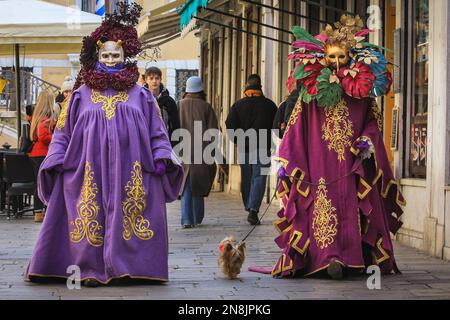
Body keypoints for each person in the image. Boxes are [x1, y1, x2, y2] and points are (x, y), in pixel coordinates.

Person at [25, 3, 183, 287]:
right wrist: (57, 158)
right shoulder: (80, 95)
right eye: (106, 54)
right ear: (98, 55)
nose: (111, 59)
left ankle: (128, 268)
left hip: (132, 169)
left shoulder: (142, 96)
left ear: (125, 55)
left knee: (131, 216)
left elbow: (157, 130)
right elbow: (63, 131)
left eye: (116, 54)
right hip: (86, 169)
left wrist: (161, 156)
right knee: (89, 217)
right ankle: (88, 270)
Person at [255, 16, 405, 279]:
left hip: (353, 162)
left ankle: (356, 256)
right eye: (331, 58)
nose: (336, 63)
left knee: (356, 206)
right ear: (323, 57)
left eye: (342, 57)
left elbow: (373, 121)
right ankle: (327, 258)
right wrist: (288, 161)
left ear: (351, 56)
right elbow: (296, 126)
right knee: (322, 208)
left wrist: (367, 141)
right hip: (319, 165)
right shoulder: (311, 93)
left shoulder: (362, 92)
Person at [225, 74, 277, 226]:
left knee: (247, 177)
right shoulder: (270, 105)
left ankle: (249, 206)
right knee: (259, 177)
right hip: (263, 146)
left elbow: (230, 125)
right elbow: (275, 127)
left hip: (244, 147)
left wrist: (236, 140)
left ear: (246, 86)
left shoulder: (238, 105)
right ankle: (254, 209)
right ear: (260, 87)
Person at [177, 76, 218, 229]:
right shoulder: (206, 107)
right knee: (198, 183)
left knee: (186, 184)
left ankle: (187, 219)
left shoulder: (178, 105)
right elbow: (213, 131)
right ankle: (197, 217)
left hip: (182, 150)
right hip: (202, 150)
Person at [28, 90, 56, 223]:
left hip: (36, 153)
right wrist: (57, 138)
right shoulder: (45, 118)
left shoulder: (36, 117)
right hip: (43, 154)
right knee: (43, 183)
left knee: (39, 183)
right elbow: (43, 137)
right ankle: (40, 212)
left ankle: (39, 211)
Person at [144, 67, 180, 146]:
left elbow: (175, 126)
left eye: (157, 78)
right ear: (146, 80)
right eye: (151, 78)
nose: (154, 81)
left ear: (160, 79)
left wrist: (173, 145)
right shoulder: (141, 100)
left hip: (165, 143)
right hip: (146, 143)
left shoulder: (169, 101)